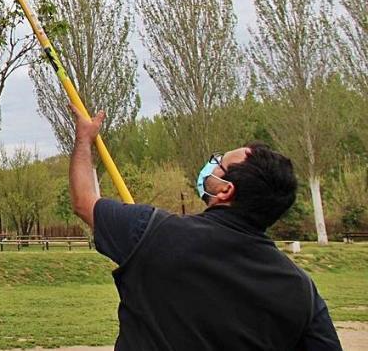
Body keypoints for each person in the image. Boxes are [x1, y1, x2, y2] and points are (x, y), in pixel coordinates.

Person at [69, 105, 342, 350]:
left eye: (220, 164)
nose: (213, 165)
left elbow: (84, 201)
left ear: (225, 191)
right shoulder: (301, 291)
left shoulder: (152, 232)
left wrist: (84, 139)